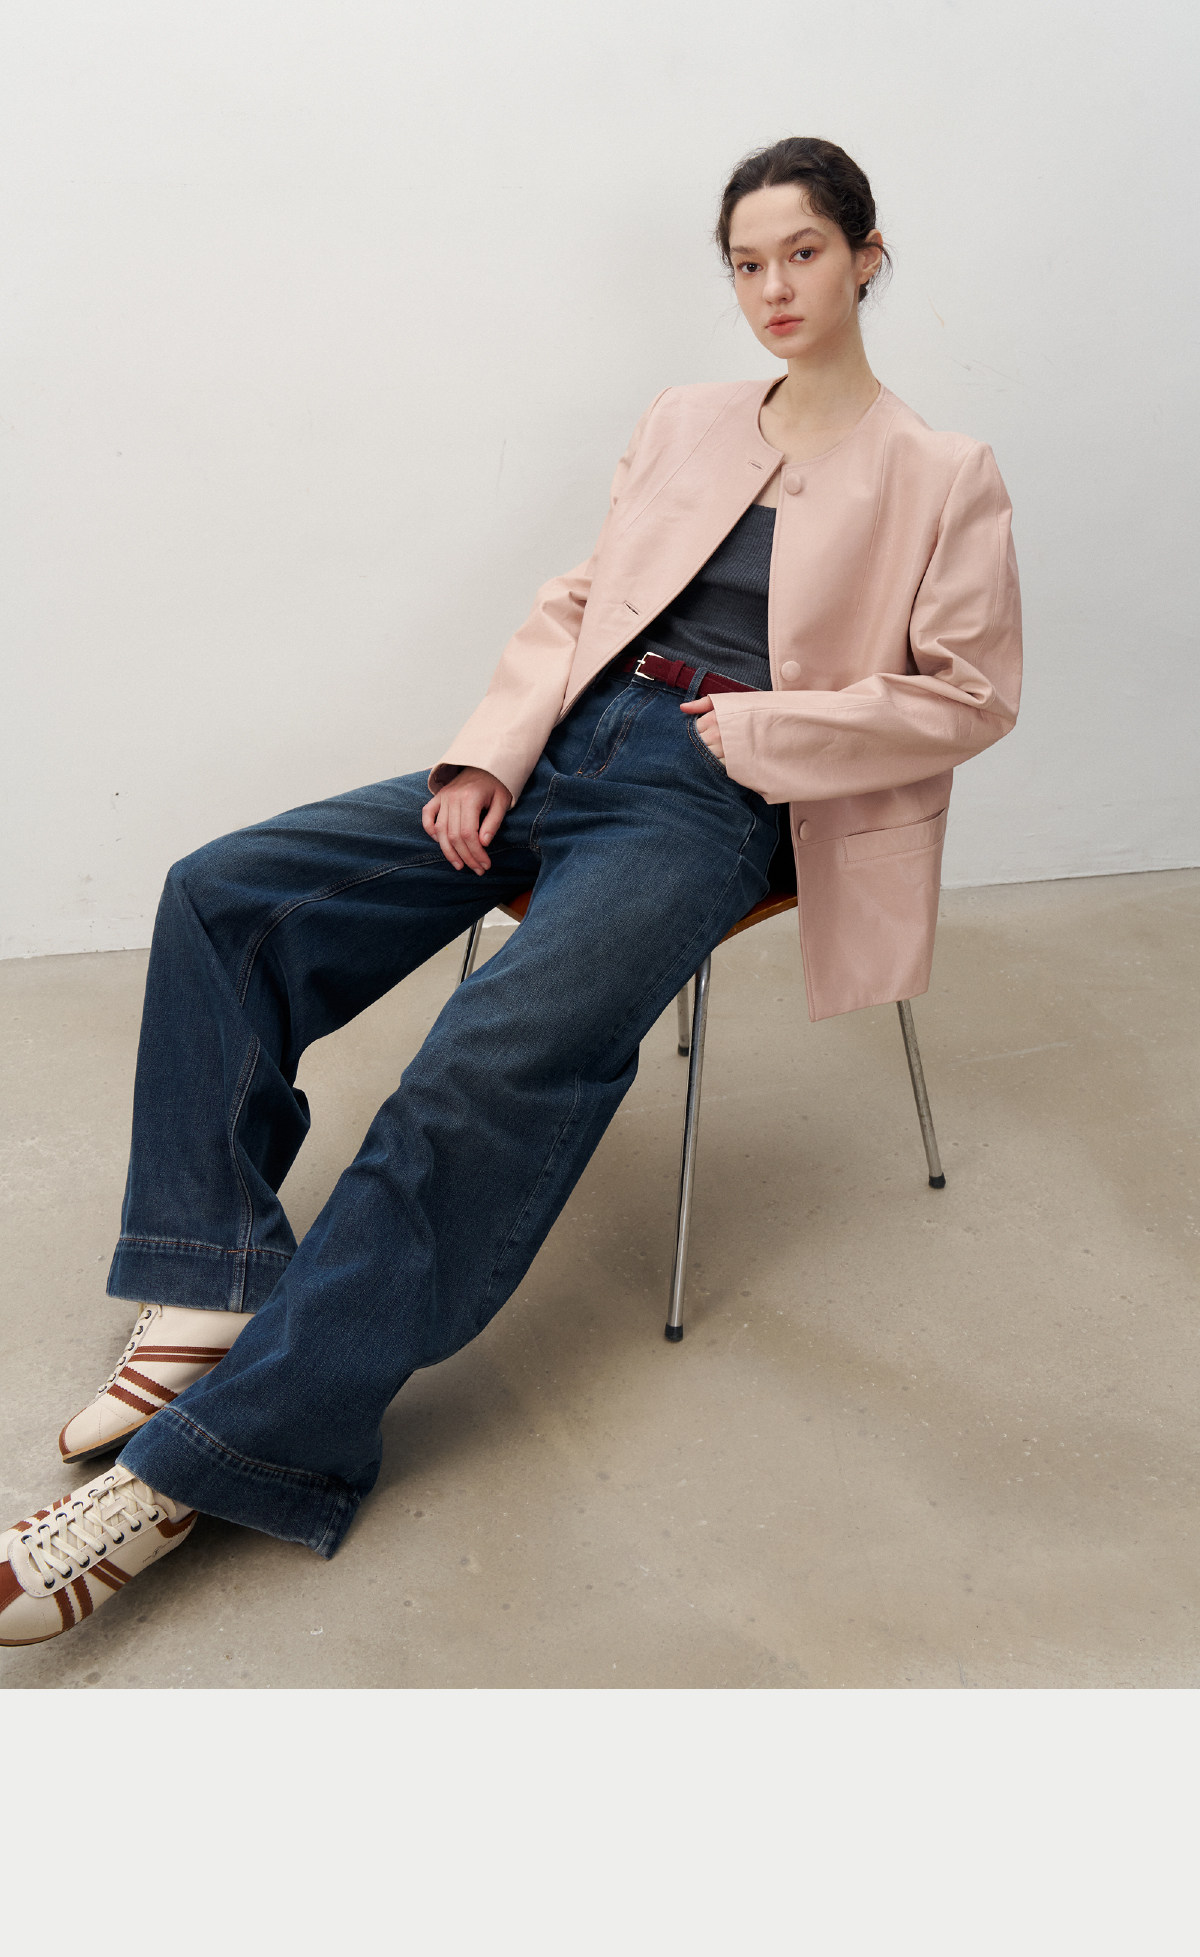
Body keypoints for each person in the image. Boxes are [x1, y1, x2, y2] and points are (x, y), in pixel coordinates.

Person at [1, 136, 1021, 1646]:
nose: (773, 287)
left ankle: (194, 1472)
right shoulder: (684, 418)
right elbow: (583, 596)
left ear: (868, 256)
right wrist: (490, 751)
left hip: (715, 793)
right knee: (223, 893)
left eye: (803, 252)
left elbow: (969, 694)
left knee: (481, 1063)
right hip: (564, 743)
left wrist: (755, 735)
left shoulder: (944, 472)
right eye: (746, 262)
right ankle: (212, 1275)